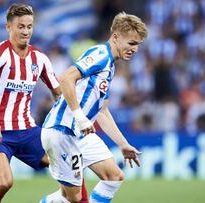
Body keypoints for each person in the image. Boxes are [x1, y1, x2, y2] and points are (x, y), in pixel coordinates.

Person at [40, 12, 148, 203]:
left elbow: (102, 111)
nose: (135, 49)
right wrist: (80, 117)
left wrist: (122, 144)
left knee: (114, 177)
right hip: (62, 131)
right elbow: (66, 78)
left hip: (80, 134)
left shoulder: (110, 67)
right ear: (115, 37)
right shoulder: (100, 54)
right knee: (74, 199)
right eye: (131, 43)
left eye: (138, 44)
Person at [0, 3, 61, 203]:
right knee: (3, 183)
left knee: (67, 159)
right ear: (8, 27)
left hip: (27, 130)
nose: (26, 31)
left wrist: (67, 119)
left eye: (29, 26)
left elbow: (58, 92)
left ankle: (60, 200)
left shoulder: (40, 59)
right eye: (20, 26)